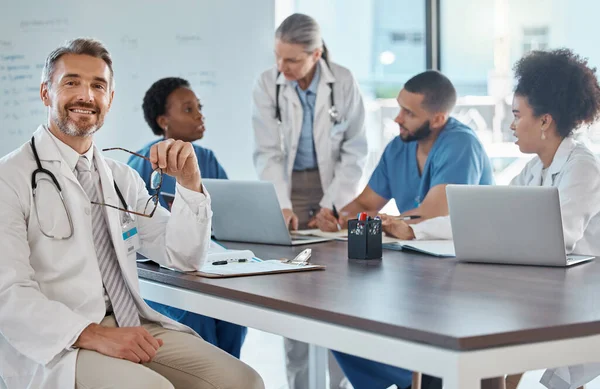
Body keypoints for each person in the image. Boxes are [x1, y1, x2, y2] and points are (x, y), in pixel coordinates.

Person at [0, 38, 264, 389]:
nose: (86, 96)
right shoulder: (10, 178)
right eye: (71, 82)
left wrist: (189, 185)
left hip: (130, 322)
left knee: (242, 380)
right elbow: (9, 293)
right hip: (59, 341)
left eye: (98, 86)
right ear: (46, 93)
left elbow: (181, 255)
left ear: (110, 99)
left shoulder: (120, 177)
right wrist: (92, 334)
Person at [394, 49, 600, 389]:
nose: (511, 124)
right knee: (481, 343)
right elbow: (482, 216)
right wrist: (414, 230)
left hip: (581, 298)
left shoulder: (583, 167)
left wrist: (492, 236)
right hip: (544, 290)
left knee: (485, 335)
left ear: (545, 121)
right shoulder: (535, 169)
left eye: (518, 115)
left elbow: (558, 237)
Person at [252, 13, 367, 389]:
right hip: (288, 188)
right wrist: (281, 205)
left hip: (334, 187)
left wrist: (334, 205)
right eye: (277, 57)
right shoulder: (269, 84)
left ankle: (339, 385)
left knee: (339, 294)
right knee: (294, 294)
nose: (281, 68)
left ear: (316, 55)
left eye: (292, 60)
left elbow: (355, 151)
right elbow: (267, 152)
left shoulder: (343, 82)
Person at [127, 77, 247, 358]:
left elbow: (228, 217)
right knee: (196, 318)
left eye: (199, 107)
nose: (199, 115)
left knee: (233, 317)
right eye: (188, 109)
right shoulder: (141, 164)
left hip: (209, 266)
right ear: (162, 120)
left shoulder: (207, 159)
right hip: (164, 277)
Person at [314, 70, 494, 245]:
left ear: (438, 119)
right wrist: (337, 219)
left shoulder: (461, 144)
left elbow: (431, 216)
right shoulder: (398, 147)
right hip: (414, 254)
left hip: (460, 254)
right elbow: (364, 204)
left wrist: (364, 221)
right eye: (400, 108)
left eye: (409, 113)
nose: (397, 119)